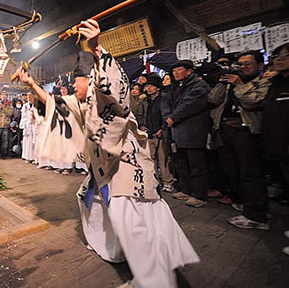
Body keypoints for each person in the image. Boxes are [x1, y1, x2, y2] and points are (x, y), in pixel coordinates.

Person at [17, 19, 199, 287]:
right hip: (104, 171)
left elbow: (113, 85)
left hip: (127, 168)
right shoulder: (82, 102)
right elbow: (55, 104)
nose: (72, 87)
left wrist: (97, 47)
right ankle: (113, 251)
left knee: (135, 224)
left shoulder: (103, 93)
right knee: (92, 203)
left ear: (90, 79)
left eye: (76, 81)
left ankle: (155, 280)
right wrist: (32, 83)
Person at [208, 50, 270, 230]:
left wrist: (239, 84)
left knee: (250, 173)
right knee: (232, 171)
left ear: (259, 66)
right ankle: (245, 205)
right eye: (240, 64)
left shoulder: (263, 82)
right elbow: (212, 99)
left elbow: (253, 100)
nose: (242, 67)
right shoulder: (231, 82)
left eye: (247, 64)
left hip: (247, 132)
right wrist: (222, 82)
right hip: (225, 130)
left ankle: (258, 216)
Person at [163, 60, 211, 207]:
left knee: (196, 164)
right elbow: (168, 105)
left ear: (189, 71)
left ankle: (199, 195)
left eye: (179, 70)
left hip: (193, 132)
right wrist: (168, 117)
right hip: (178, 132)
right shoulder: (177, 87)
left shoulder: (199, 86)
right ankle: (186, 190)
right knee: (182, 163)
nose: (175, 73)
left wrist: (172, 117)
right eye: (174, 71)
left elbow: (188, 105)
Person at [263, 43, 289, 217]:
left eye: (286, 55)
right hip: (279, 146)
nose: (280, 59)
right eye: (277, 56)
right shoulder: (275, 84)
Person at [141, 74, 175, 193]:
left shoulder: (164, 99)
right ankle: (154, 181)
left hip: (161, 134)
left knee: (163, 160)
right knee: (150, 160)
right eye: (147, 86)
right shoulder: (145, 101)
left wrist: (163, 129)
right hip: (148, 134)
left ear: (158, 87)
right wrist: (142, 126)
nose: (148, 88)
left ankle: (168, 182)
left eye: (151, 86)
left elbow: (167, 115)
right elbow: (141, 116)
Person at [0, 90, 13, 159]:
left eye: (5, 95)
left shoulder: (9, 104)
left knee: (5, 141)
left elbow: (10, 113)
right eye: (2, 95)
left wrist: (4, 108)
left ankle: (4, 154)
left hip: (6, 124)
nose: (4, 96)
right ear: (0, 96)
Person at [20, 92, 36, 163]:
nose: (29, 97)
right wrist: (27, 121)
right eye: (28, 96)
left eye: (30, 96)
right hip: (28, 125)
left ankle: (34, 158)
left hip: (35, 125)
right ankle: (27, 157)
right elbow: (23, 116)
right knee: (27, 141)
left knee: (34, 142)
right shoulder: (25, 106)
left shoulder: (36, 104)